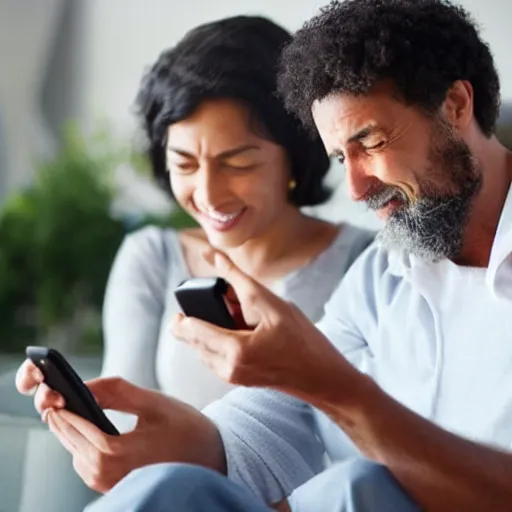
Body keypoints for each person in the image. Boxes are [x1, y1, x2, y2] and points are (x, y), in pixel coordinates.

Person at [15, 0, 512, 510]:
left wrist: (336, 389)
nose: (358, 189)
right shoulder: (381, 274)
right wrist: (169, 440)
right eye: (343, 157)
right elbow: (273, 426)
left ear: (455, 105)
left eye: (371, 141)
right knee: (170, 488)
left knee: (355, 488)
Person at [96, 14, 374, 417]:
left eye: (239, 164)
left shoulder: (365, 266)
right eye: (185, 164)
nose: (209, 194)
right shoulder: (152, 258)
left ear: (295, 158)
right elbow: (121, 421)